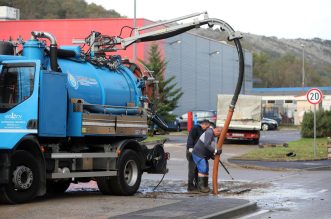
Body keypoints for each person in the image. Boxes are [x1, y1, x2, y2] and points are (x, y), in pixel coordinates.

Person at [192, 127, 222, 193]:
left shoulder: (213, 135)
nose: (219, 136)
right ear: (217, 131)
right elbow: (206, 145)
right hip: (198, 154)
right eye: (219, 134)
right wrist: (216, 151)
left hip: (203, 155)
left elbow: (209, 146)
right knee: (203, 169)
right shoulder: (209, 133)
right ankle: (201, 187)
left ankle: (203, 186)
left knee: (205, 169)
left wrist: (212, 155)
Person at [186, 120, 210, 191]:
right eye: (207, 126)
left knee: (198, 169)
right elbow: (190, 138)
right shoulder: (195, 128)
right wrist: (190, 147)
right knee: (192, 169)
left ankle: (198, 185)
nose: (208, 128)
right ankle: (190, 186)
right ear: (204, 124)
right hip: (192, 151)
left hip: (200, 152)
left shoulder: (205, 131)